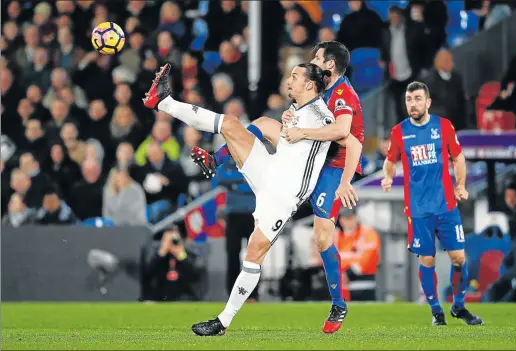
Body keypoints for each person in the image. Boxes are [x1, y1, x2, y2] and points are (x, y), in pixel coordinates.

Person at [143, 62, 336, 336]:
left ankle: (223, 321)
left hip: (283, 195)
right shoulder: (295, 110)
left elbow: (338, 132)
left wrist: (302, 132)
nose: (288, 80)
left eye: (294, 76)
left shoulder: (320, 112)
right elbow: (279, 136)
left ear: (309, 85)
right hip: (270, 168)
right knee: (233, 124)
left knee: (254, 253)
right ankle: (164, 103)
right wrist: (286, 127)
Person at [191, 41, 363, 333]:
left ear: (330, 65)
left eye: (317, 58)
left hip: (335, 165)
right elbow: (302, 116)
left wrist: (343, 178)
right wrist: (289, 118)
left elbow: (344, 132)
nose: (313, 60)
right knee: (260, 123)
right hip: (310, 154)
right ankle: (215, 159)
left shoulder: (343, 93)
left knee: (322, 238)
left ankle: (338, 304)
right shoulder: (315, 87)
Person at [381, 81, 483, 326]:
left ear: (427, 102)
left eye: (417, 99)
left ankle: (458, 305)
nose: (412, 104)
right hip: (418, 209)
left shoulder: (443, 126)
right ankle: (436, 310)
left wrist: (460, 185)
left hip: (446, 205)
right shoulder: (399, 132)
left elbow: (458, 158)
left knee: (459, 258)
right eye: (408, 99)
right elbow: (390, 160)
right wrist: (387, 176)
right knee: (427, 260)